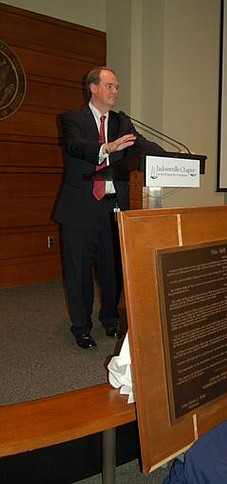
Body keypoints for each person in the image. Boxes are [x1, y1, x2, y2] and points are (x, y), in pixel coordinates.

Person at [54, 66, 166, 348]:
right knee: (78, 271)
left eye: (117, 86)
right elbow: (75, 146)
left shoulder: (121, 121)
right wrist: (106, 148)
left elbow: (140, 144)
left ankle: (110, 319)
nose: (115, 91)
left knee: (112, 268)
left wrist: (175, 157)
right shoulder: (72, 119)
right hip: (80, 208)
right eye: (109, 86)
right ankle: (81, 327)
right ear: (93, 88)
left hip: (113, 207)